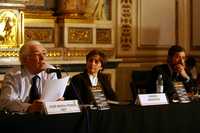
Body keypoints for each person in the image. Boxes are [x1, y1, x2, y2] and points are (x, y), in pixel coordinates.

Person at [0, 40, 58, 113]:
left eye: (44, 53)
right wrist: (30, 108)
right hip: (21, 119)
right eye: (37, 54)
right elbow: (6, 102)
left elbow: (54, 98)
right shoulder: (13, 75)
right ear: (25, 59)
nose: (42, 58)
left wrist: (57, 101)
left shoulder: (51, 71)